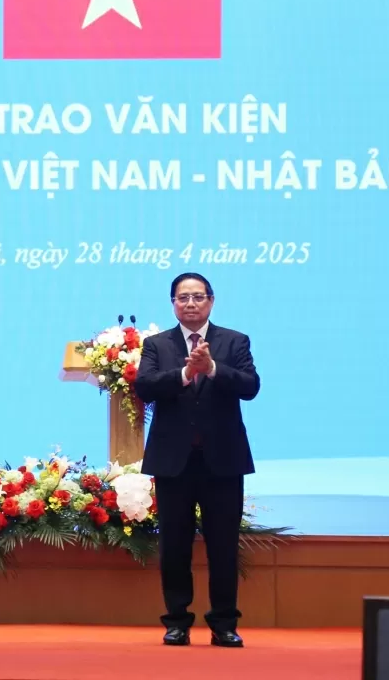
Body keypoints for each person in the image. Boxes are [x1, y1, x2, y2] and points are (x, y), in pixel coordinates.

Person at [134, 272, 259, 649]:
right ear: (173, 303)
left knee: (223, 545)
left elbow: (250, 386)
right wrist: (187, 373)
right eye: (183, 297)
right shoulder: (157, 344)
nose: (190, 303)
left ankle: (224, 624)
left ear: (211, 301)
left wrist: (214, 369)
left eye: (198, 297)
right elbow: (145, 386)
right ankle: (176, 621)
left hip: (223, 461)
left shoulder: (234, 341)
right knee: (174, 546)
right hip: (174, 461)